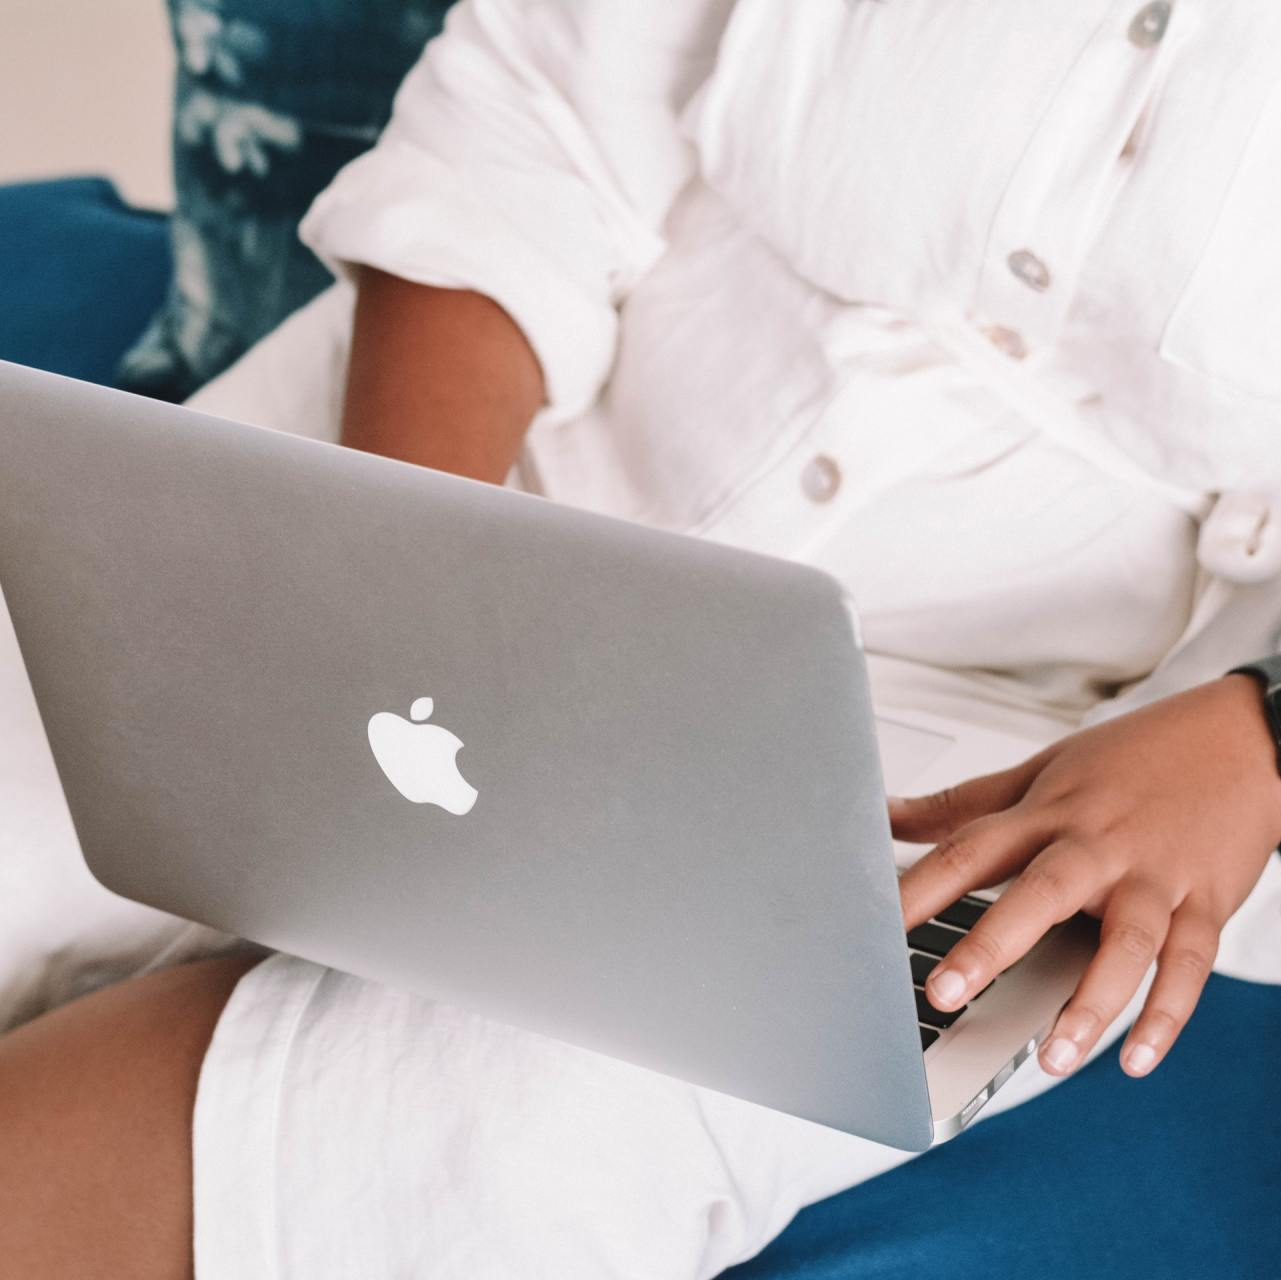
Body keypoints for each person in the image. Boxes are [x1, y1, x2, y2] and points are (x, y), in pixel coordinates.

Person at [2, 1, 1281, 1274]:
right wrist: (393, 568)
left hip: (993, 757)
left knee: (488, 1131)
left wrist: (1258, 730)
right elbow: (526, 122)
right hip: (493, 468)